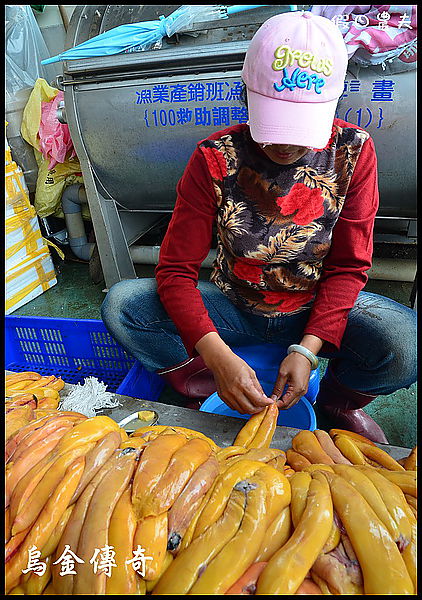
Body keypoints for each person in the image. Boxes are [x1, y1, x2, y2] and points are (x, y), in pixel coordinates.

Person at [101, 11, 416, 444]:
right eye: (274, 125)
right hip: (234, 304)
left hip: (311, 307)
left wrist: (308, 349)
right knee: (123, 304)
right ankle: (208, 389)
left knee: (404, 343)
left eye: (299, 128)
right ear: (248, 94)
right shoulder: (215, 157)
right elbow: (174, 271)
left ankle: (334, 405)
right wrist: (215, 355)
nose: (285, 145)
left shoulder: (353, 153)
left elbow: (348, 268)